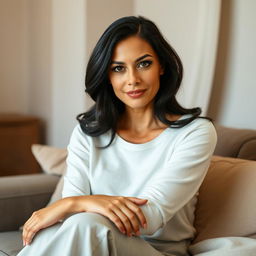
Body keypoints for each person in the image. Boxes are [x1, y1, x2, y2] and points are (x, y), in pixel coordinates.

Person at [18, 16, 217, 256]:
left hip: (157, 251)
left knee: (86, 224)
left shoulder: (195, 133)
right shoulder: (88, 132)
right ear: (107, 76)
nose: (132, 79)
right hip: (89, 242)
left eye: (144, 64)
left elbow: (150, 218)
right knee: (50, 232)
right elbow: (71, 210)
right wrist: (75, 204)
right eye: (118, 68)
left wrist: (72, 204)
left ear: (161, 66)